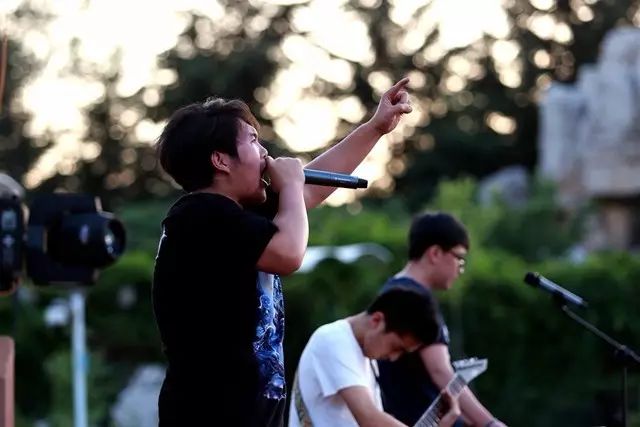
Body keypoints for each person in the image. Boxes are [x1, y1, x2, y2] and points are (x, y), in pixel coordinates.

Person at [152, 78, 412, 426]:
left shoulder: (235, 215)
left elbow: (306, 195)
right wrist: (290, 184)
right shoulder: (199, 215)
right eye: (253, 141)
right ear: (220, 160)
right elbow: (289, 253)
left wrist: (375, 128)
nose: (265, 153)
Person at [376, 212, 506, 427]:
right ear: (435, 253)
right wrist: (489, 423)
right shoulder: (414, 299)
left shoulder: (395, 291)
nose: (460, 269)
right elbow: (440, 371)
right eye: (459, 258)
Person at [288, 287, 461, 427]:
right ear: (377, 320)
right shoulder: (333, 340)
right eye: (396, 347)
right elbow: (369, 419)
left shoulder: (364, 354)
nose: (393, 358)